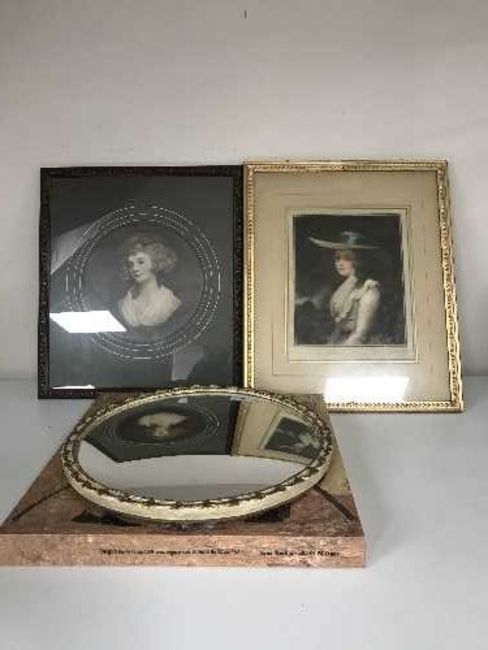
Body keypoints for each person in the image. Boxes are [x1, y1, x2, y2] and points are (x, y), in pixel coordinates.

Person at [309, 231, 380, 345]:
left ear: (359, 260)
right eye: (337, 258)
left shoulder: (369, 291)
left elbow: (359, 336)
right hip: (337, 341)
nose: (340, 263)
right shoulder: (344, 286)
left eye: (347, 258)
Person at [118, 234, 181, 328]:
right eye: (130, 264)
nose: (135, 268)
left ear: (155, 262)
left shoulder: (170, 301)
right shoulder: (123, 303)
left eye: (141, 262)